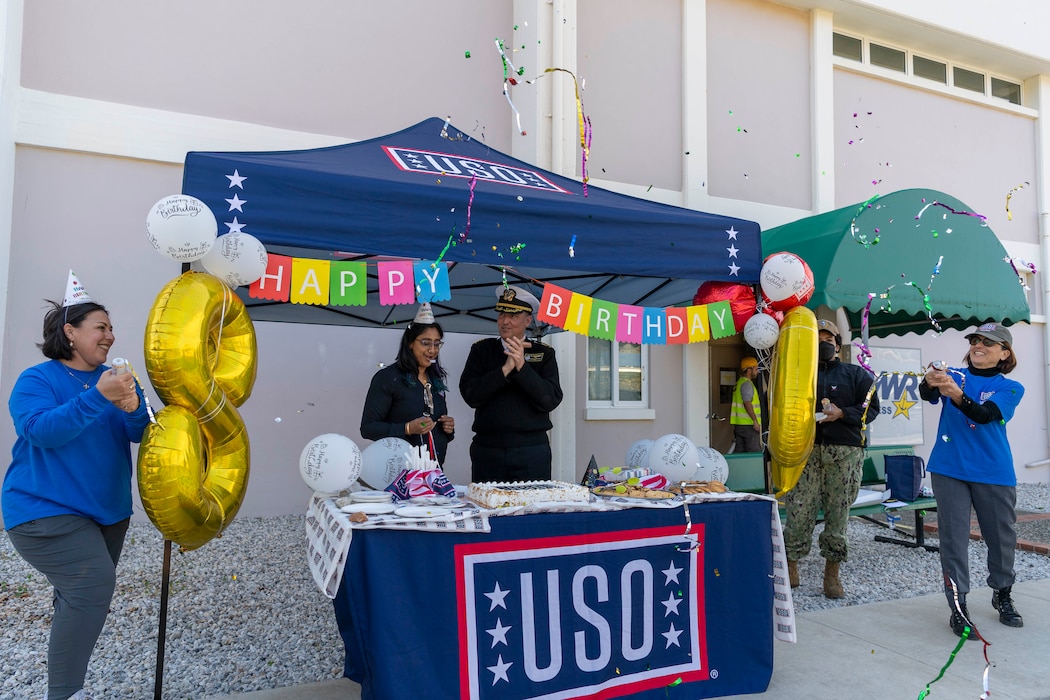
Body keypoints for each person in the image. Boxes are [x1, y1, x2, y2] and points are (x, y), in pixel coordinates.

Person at [2, 277, 149, 700]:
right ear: (70, 332)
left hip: (108, 512)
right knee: (92, 587)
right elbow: (41, 431)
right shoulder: (37, 380)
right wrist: (98, 397)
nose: (110, 335)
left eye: (110, 327)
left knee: (79, 598)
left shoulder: (116, 379)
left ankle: (64, 686)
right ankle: (66, 694)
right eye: (100, 327)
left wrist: (134, 406)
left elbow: (137, 432)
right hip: (43, 510)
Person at [920, 322, 1024, 638]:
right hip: (949, 468)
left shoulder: (1010, 387)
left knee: (1001, 537)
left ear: (1004, 352)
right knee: (953, 538)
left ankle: (1002, 592)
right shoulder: (955, 374)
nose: (978, 346)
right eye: (975, 340)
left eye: (988, 343)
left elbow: (983, 414)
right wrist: (930, 380)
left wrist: (956, 394)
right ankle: (958, 605)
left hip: (994, 471)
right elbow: (926, 394)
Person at [784, 318, 879, 599]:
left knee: (838, 515)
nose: (823, 344)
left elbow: (871, 408)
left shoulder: (857, 375)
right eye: (817, 340)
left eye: (828, 340)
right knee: (799, 510)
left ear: (837, 345)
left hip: (845, 455)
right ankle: (791, 566)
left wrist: (843, 414)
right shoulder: (799, 374)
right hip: (806, 453)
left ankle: (832, 573)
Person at [460, 285, 563, 482]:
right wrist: (504, 370)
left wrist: (522, 367)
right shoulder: (481, 351)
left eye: (513, 316)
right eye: (501, 315)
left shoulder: (544, 354)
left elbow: (550, 399)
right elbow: (471, 395)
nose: (505, 321)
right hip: (488, 449)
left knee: (531, 509)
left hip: (531, 451)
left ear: (528, 320)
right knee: (488, 508)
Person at [361, 303, 455, 465]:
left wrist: (448, 429)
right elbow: (368, 428)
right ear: (410, 343)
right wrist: (407, 428)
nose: (432, 350)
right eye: (425, 343)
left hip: (433, 474)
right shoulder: (388, 378)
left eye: (437, 343)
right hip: (397, 473)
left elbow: (434, 428)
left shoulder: (436, 381)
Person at [730, 356, 762, 453]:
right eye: (755, 369)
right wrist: (755, 421)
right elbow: (747, 402)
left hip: (740, 425)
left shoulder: (739, 383)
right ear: (749, 370)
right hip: (749, 426)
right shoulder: (747, 385)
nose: (757, 372)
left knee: (741, 454)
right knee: (753, 454)